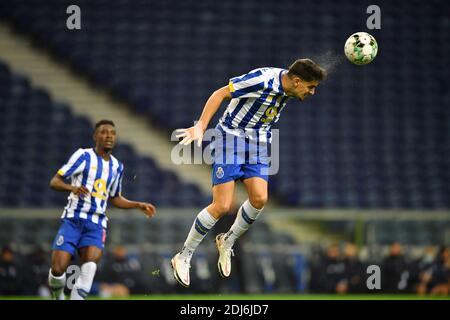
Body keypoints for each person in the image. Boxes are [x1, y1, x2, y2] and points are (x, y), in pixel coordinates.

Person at [172, 59, 326, 287]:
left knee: (260, 198)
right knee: (222, 206)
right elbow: (219, 94)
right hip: (230, 139)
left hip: (259, 144)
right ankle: (184, 256)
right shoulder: (261, 80)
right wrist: (201, 126)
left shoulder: (290, 86)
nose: (313, 92)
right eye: (311, 86)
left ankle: (228, 241)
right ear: (296, 81)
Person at [47, 119, 156, 300]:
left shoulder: (117, 166)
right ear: (95, 136)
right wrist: (72, 188)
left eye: (112, 133)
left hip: (96, 224)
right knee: (58, 269)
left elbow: (114, 198)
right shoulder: (83, 156)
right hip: (73, 219)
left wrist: (138, 205)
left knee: (89, 267)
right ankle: (57, 297)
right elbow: (55, 182)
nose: (109, 136)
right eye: (104, 132)